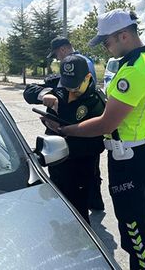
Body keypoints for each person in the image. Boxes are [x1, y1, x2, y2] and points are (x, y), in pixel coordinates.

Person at [42, 9, 145, 270]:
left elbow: (107, 123)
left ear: (123, 36)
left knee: (133, 228)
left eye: (107, 42)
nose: (106, 48)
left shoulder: (133, 71)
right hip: (144, 146)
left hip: (127, 157)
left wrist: (67, 130)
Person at [24, 54, 106, 223]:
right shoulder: (58, 85)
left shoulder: (96, 100)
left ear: (88, 78)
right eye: (67, 84)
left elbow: (98, 142)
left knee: (78, 211)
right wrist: (44, 95)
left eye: (75, 86)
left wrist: (65, 132)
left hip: (81, 163)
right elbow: (29, 91)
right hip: (55, 159)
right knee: (58, 203)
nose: (70, 90)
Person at [47, 35, 104, 211]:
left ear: (63, 49)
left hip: (82, 136)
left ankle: (91, 202)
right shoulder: (82, 62)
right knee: (90, 173)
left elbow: (86, 98)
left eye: (57, 54)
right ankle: (94, 202)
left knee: (87, 173)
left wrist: (65, 128)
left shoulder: (80, 65)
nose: (57, 58)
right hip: (76, 140)